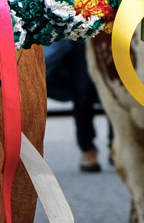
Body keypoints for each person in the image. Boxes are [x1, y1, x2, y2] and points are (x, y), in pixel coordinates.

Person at [44, 40, 103, 172]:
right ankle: (87, 147)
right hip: (82, 33)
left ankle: (117, 142)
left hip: (114, 31)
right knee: (83, 89)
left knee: (117, 89)